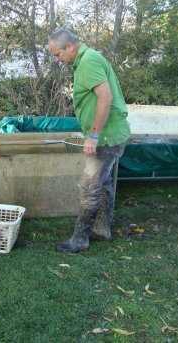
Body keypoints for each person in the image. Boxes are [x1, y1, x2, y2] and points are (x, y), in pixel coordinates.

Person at [48, 28, 131, 253]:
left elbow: (105, 97)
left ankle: (80, 239)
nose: (57, 59)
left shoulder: (88, 62)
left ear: (70, 47)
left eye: (57, 54)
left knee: (89, 185)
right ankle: (102, 229)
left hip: (105, 136)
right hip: (109, 133)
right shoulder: (87, 59)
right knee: (102, 182)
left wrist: (93, 136)